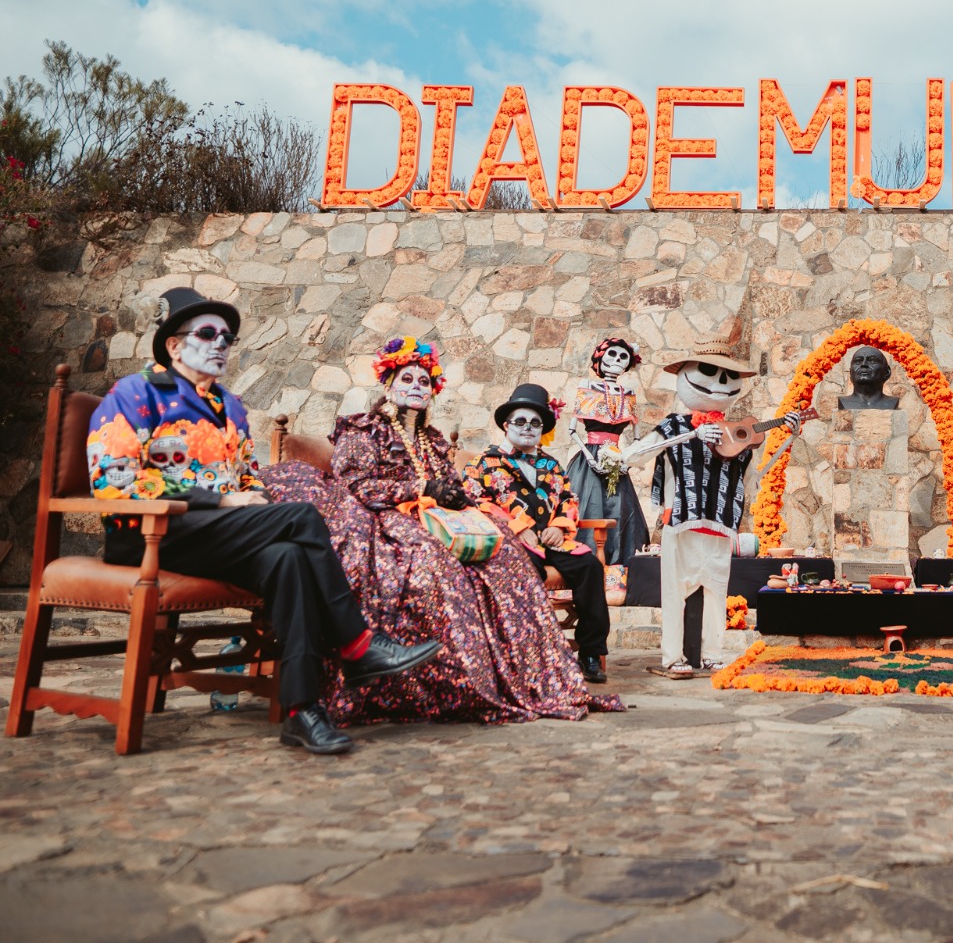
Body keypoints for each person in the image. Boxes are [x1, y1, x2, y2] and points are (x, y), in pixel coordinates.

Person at [88, 288, 439, 755]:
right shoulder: (135, 393)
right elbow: (112, 480)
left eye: (227, 337)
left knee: (288, 556)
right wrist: (222, 500)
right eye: (207, 333)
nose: (220, 344)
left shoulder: (229, 407)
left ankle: (301, 711)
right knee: (302, 517)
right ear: (173, 344)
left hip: (216, 538)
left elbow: (248, 477)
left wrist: (253, 496)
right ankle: (357, 643)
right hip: (149, 533)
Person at [259, 337, 622, 725]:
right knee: (436, 566)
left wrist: (453, 495)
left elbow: (474, 490)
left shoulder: (433, 441)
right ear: (389, 384)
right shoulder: (364, 429)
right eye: (407, 378)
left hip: (443, 524)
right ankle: (430, 676)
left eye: (424, 380)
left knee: (506, 560)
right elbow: (356, 485)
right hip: (384, 519)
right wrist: (422, 490)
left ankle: (525, 674)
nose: (416, 386)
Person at [623, 334, 802, 678]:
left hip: (720, 524)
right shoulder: (673, 425)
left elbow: (757, 476)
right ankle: (672, 657)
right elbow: (635, 456)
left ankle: (712, 654)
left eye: (728, 375)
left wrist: (788, 439)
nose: (720, 381)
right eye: (708, 371)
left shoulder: (737, 434)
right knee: (675, 591)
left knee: (717, 593)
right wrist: (692, 435)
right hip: (681, 520)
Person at [468, 382, 611, 684]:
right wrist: (516, 529)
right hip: (512, 546)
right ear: (506, 425)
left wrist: (560, 526)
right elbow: (475, 503)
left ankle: (590, 653)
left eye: (535, 423)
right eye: (520, 421)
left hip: (552, 543)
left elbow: (569, 500)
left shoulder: (551, 464)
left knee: (590, 566)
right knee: (524, 568)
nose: (528, 428)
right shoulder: (486, 463)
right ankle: (528, 653)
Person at [565, 337, 650, 564]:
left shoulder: (628, 394)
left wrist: (627, 461)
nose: (617, 361)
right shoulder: (587, 387)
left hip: (616, 459)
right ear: (600, 358)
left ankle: (618, 565)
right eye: (612, 354)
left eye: (623, 357)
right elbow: (572, 430)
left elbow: (637, 437)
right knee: (589, 505)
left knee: (618, 508)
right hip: (589, 460)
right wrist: (590, 459)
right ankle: (585, 562)